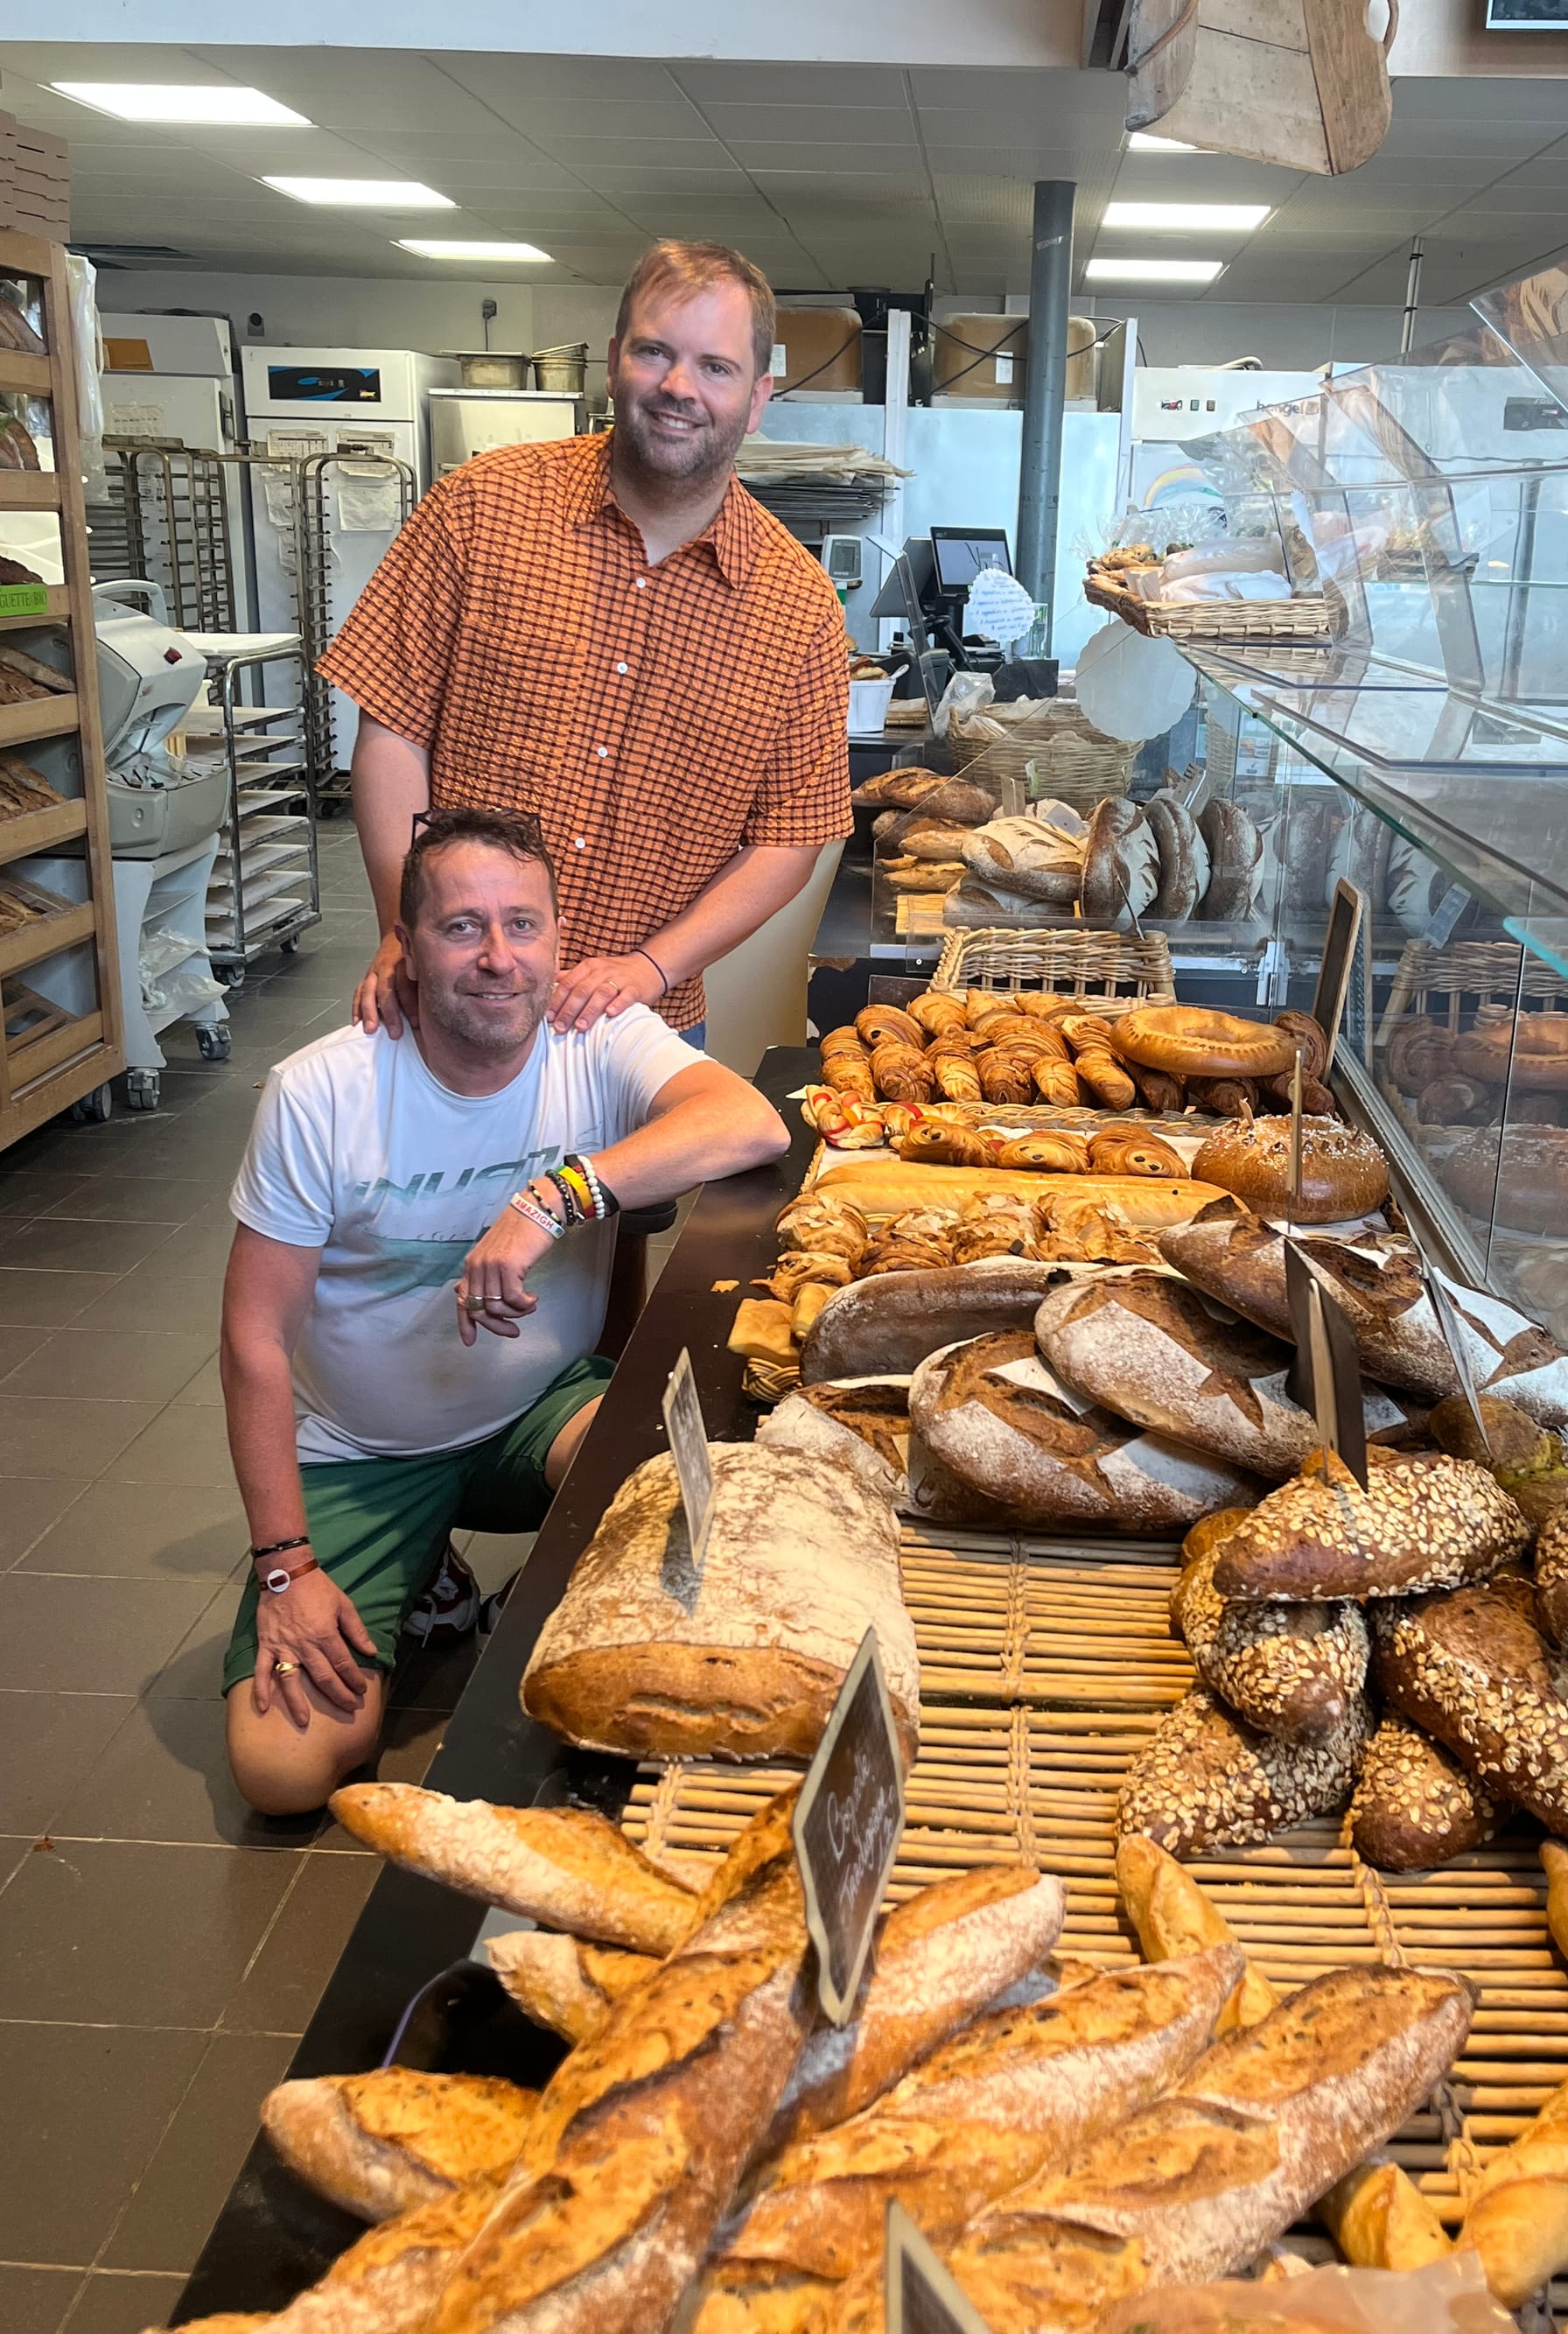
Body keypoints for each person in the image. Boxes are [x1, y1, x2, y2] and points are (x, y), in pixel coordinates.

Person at [219, 805, 789, 1816]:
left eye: (522, 924)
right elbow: (253, 1340)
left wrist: (550, 1200)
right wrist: (283, 1569)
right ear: (406, 943)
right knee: (283, 1773)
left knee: (677, 1485)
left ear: (558, 937)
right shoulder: (320, 1092)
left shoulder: (593, 1034)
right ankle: (421, 1570)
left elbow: (749, 1123)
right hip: (363, 1450)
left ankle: (546, 1602)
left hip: (537, 1411)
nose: (497, 957)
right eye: (460, 927)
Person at [321, 237, 852, 1048]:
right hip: (446, 1006)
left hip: (638, 1028)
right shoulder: (481, 509)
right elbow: (393, 730)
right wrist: (403, 929)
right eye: (654, 352)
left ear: (757, 399)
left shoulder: (797, 607)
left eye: (715, 366)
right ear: (612, 362)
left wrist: (651, 965)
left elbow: (790, 838)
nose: (679, 387)